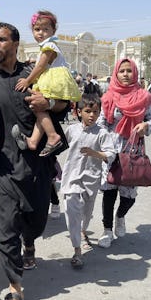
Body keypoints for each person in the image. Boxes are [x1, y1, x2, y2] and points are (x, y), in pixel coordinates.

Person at [0, 22, 68, 300]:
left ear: (15, 44)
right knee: (2, 231)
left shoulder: (33, 74)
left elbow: (64, 102)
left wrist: (47, 104)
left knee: (35, 222)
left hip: (36, 166)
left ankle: (30, 241)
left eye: (1, 40)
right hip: (2, 167)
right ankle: (15, 286)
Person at [96, 58, 151, 249]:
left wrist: (146, 125)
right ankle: (106, 230)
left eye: (129, 71)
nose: (125, 74)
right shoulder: (108, 97)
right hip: (111, 149)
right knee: (109, 190)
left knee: (129, 194)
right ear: (116, 73)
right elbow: (101, 122)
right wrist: (106, 140)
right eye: (121, 71)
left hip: (132, 150)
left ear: (135, 73)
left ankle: (120, 216)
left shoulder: (144, 97)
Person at [12, 10, 81, 157]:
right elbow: (42, 62)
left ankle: (53, 136)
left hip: (53, 80)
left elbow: (41, 66)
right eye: (37, 29)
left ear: (53, 30)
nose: (41, 33)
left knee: (39, 107)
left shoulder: (49, 46)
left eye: (45, 29)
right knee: (41, 110)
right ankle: (33, 141)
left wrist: (27, 80)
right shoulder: (47, 47)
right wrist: (33, 61)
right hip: (54, 78)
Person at [61, 93, 115, 268]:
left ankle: (83, 232)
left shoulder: (102, 133)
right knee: (71, 210)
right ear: (79, 112)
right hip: (71, 178)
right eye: (88, 111)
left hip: (91, 180)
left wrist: (96, 154)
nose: (92, 115)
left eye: (95, 112)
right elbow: (58, 145)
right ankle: (77, 250)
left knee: (86, 212)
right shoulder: (72, 130)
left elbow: (111, 154)